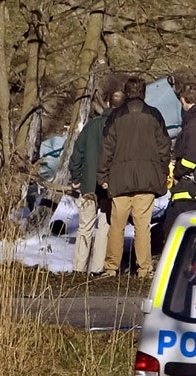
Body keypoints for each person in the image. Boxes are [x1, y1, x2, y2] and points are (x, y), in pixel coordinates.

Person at [96, 77, 171, 279]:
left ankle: (112, 267)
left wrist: (102, 174)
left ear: (126, 92)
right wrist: (162, 172)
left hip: (119, 179)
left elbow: (106, 149)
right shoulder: (155, 115)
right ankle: (144, 268)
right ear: (144, 93)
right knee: (142, 226)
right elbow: (165, 148)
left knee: (117, 226)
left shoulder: (115, 116)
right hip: (147, 180)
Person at [69, 90, 126, 274]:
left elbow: (78, 151)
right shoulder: (121, 128)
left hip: (88, 184)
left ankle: (78, 267)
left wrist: (76, 176)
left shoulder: (92, 126)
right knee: (105, 225)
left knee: (84, 227)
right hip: (110, 185)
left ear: (108, 103)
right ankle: (98, 266)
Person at [163, 82, 196, 237]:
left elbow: (190, 159)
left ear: (183, 100)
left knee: (175, 234)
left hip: (189, 188)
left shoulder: (194, 123)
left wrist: (176, 173)